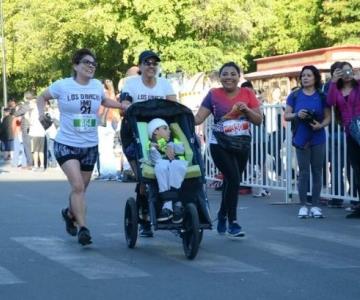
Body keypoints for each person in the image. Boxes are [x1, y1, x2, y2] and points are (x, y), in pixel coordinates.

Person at [37, 48, 126, 245]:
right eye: (86, 62)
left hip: (89, 146)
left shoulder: (96, 85)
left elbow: (103, 100)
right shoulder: (62, 85)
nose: (91, 66)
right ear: (76, 65)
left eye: (93, 63)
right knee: (77, 186)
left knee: (81, 190)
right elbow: (41, 97)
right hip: (66, 144)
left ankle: (69, 214)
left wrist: (121, 105)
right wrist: (41, 113)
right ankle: (83, 228)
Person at [194, 61, 262, 237]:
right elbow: (198, 118)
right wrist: (178, 115)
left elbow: (258, 120)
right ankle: (233, 222)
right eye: (225, 74)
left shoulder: (248, 93)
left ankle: (222, 215)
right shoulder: (213, 94)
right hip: (220, 144)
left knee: (232, 181)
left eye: (233, 74)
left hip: (241, 144)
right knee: (233, 178)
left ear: (239, 77)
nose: (229, 77)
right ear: (220, 77)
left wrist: (246, 110)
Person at [120, 50, 177, 237]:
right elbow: (125, 104)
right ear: (141, 66)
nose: (151, 66)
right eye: (147, 63)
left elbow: (174, 107)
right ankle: (144, 218)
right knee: (144, 178)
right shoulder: (131, 84)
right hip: (135, 134)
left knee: (167, 168)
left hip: (160, 135)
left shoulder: (165, 84)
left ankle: (171, 207)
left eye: (154, 63)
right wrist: (128, 107)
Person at [284, 65, 331, 219]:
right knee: (303, 173)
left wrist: (321, 125)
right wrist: (298, 114)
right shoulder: (295, 95)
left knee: (317, 171)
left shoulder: (322, 96)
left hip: (318, 136)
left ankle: (316, 206)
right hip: (301, 137)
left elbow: (328, 117)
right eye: (303, 75)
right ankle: (303, 205)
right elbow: (286, 115)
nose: (305, 78)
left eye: (309, 75)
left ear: (315, 78)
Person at [327, 61, 360, 218]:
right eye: (342, 72)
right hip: (349, 131)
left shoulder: (358, 85)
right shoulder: (337, 88)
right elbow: (330, 102)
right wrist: (333, 82)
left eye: (349, 71)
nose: (347, 74)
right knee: (356, 168)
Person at [147, 118, 188, 223]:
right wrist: (157, 146)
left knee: (176, 164)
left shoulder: (172, 143)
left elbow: (183, 149)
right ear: (155, 131)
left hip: (176, 167)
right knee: (161, 165)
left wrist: (167, 146)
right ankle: (168, 205)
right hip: (162, 166)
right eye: (165, 129)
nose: (169, 131)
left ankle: (175, 204)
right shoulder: (150, 146)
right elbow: (154, 158)